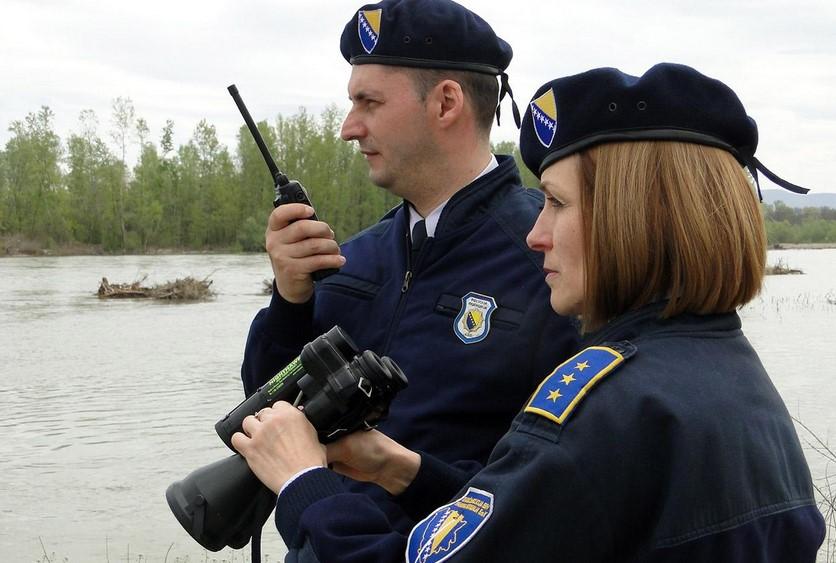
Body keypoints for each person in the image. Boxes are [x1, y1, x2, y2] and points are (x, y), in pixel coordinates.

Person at [233, 63, 826, 562]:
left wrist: (304, 485)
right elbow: (536, 521)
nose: (535, 235)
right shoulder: (728, 373)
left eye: (557, 203)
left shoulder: (609, 406)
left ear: (635, 220)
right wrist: (403, 470)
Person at [240, 0, 578, 531]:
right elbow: (266, 421)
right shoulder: (353, 257)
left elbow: (564, 491)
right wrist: (289, 299)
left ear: (446, 103)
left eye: (369, 102)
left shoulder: (553, 260)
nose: (349, 128)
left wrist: (408, 475)